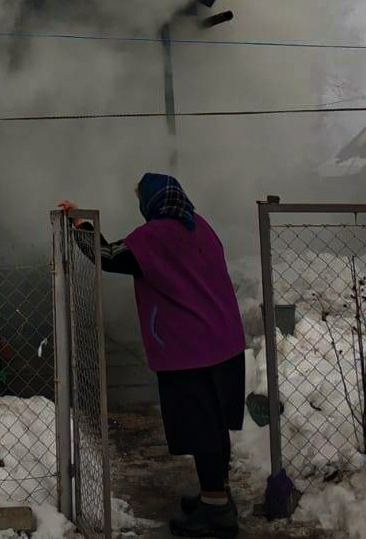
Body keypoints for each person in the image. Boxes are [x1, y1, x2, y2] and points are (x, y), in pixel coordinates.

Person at [59, 173, 246, 538]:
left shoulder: (156, 235)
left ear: (150, 202)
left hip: (190, 351)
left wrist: (80, 225)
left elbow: (108, 256)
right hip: (225, 345)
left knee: (202, 430)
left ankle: (216, 513)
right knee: (216, 425)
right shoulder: (201, 226)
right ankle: (217, 496)